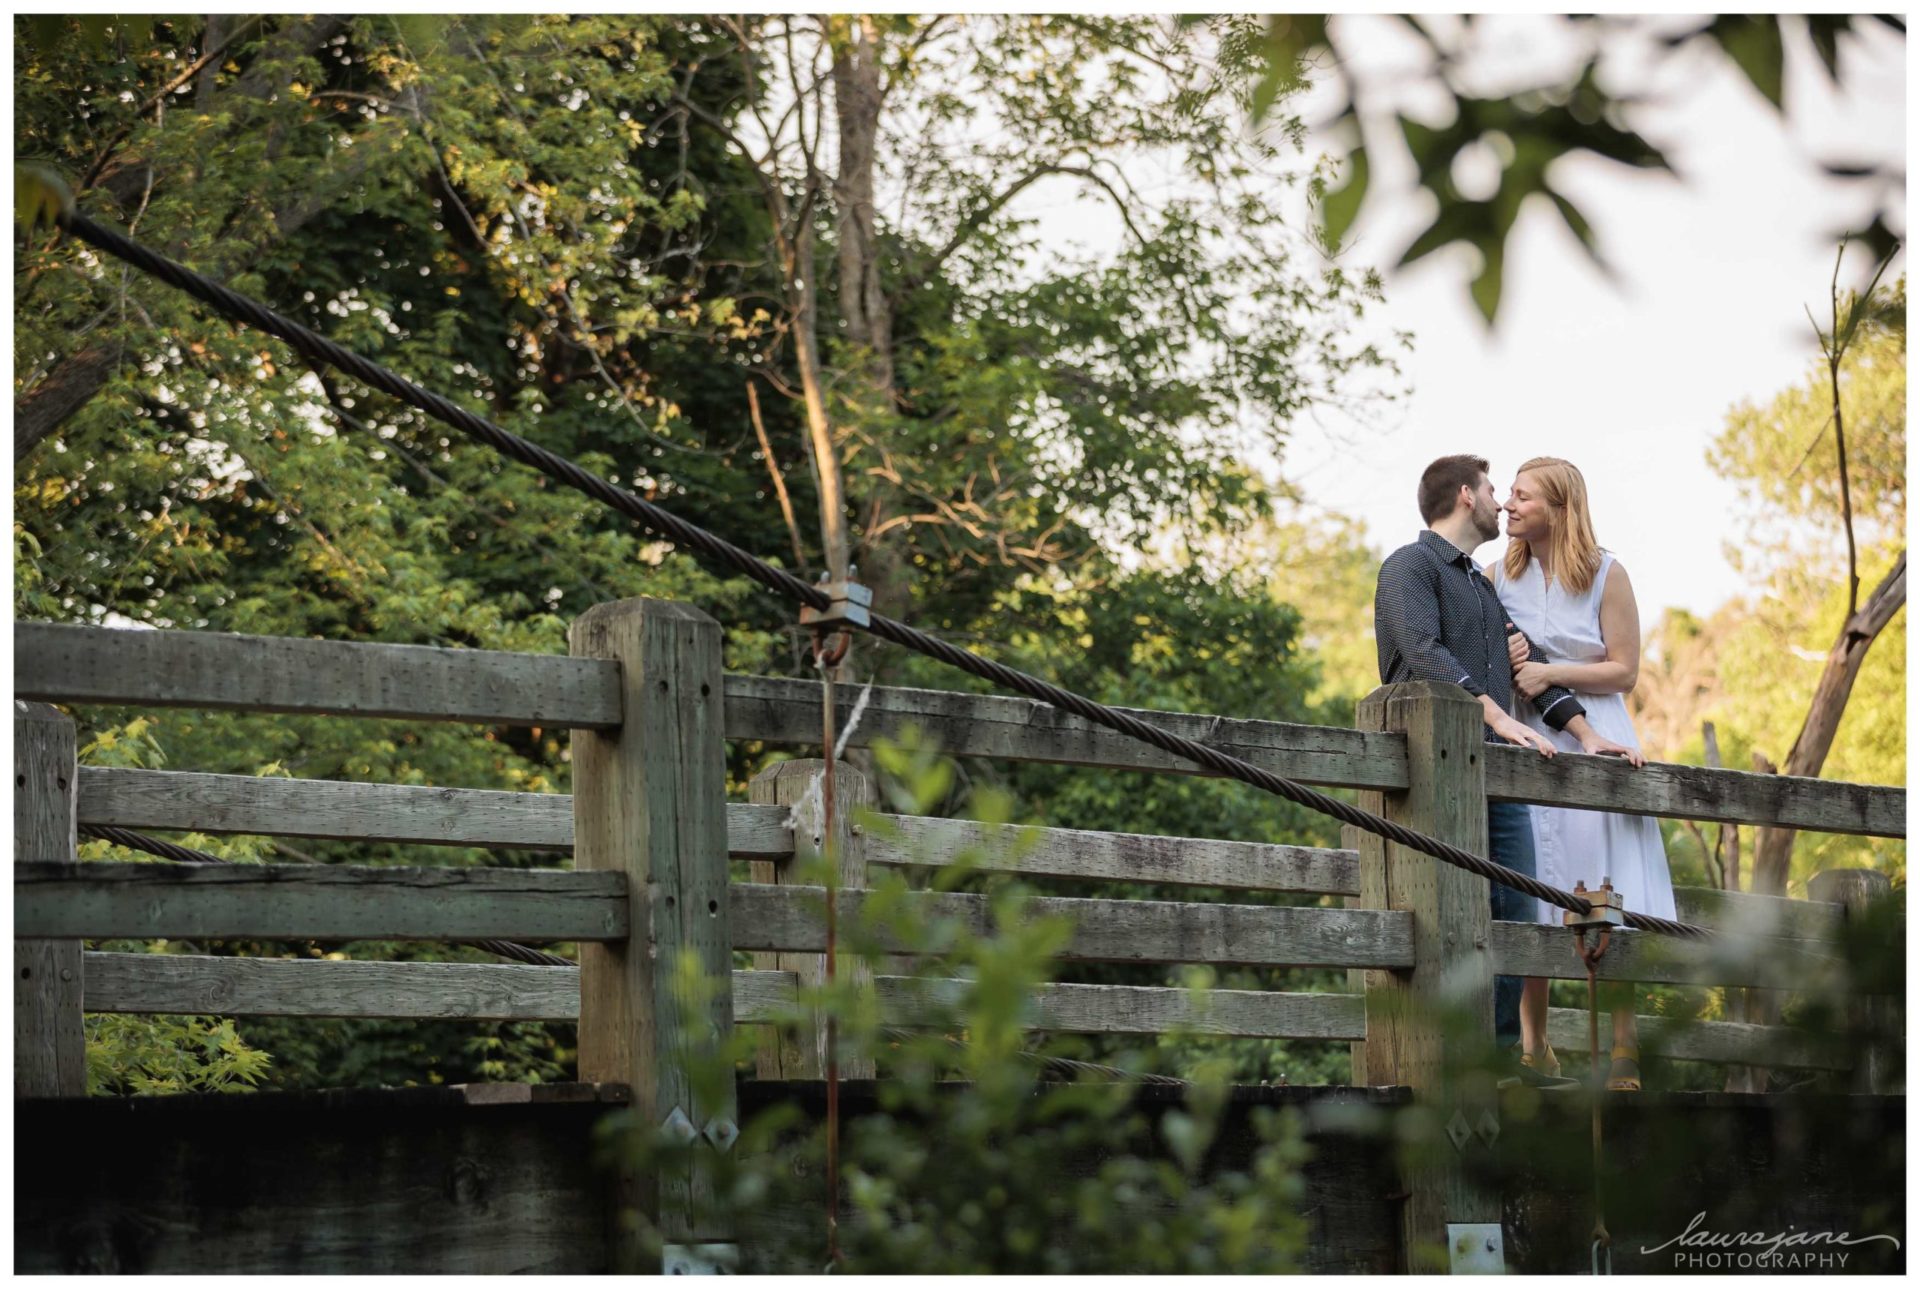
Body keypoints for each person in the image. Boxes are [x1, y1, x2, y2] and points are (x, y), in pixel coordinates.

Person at [1374, 454, 1640, 1089]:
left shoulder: (1483, 587)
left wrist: (1586, 733)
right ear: (1468, 496)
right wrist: (1493, 715)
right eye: (1496, 490)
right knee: (1441, 916)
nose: (1502, 502)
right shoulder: (1408, 567)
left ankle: (1501, 1062)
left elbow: (1532, 670)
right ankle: (1440, 1066)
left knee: (1518, 911)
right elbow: (1422, 651)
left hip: (1500, 776)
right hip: (1433, 774)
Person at [1491, 456, 1674, 1093]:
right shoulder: (1496, 577)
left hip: (1594, 737)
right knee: (1531, 881)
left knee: (1603, 888)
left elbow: (1624, 670)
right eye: (1507, 494)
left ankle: (1623, 1049)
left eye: (1522, 496)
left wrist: (1552, 673)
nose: (1508, 506)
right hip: (1523, 736)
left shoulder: (1605, 574)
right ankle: (1536, 1048)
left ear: (1560, 508)